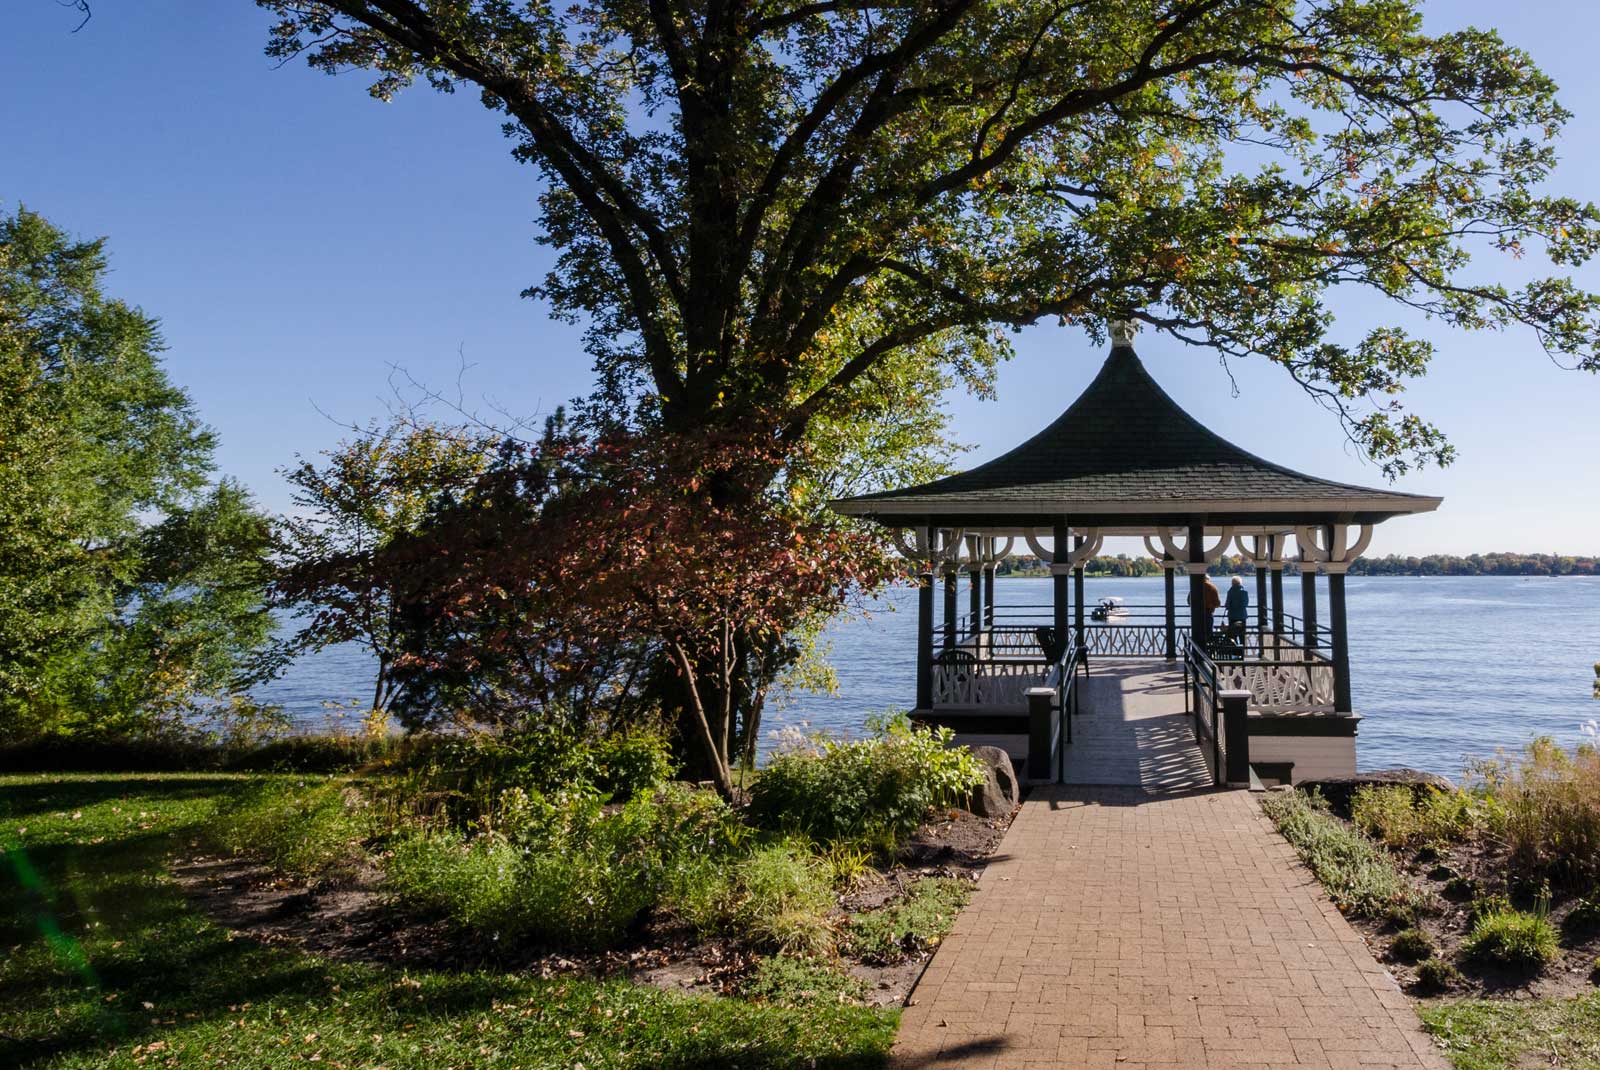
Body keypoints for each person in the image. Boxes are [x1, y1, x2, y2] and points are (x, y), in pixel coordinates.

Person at [1225, 575, 1250, 645]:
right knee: (1242, 635)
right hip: (1242, 616)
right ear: (1240, 583)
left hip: (1232, 616)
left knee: (1233, 635)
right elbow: (1246, 604)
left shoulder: (1230, 592)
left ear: (1232, 583)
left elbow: (1227, 605)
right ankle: (1243, 649)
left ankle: (1235, 649)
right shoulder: (1244, 592)